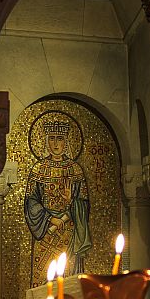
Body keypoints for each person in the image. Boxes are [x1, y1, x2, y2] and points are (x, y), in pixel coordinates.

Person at [24, 120, 92, 287]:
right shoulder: (38, 169)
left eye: (60, 138)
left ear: (66, 142)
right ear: (46, 141)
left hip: (68, 232)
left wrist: (71, 202)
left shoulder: (75, 169)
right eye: (52, 138)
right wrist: (50, 218)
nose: (55, 144)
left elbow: (84, 204)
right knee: (44, 279)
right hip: (45, 231)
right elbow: (31, 201)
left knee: (67, 281)